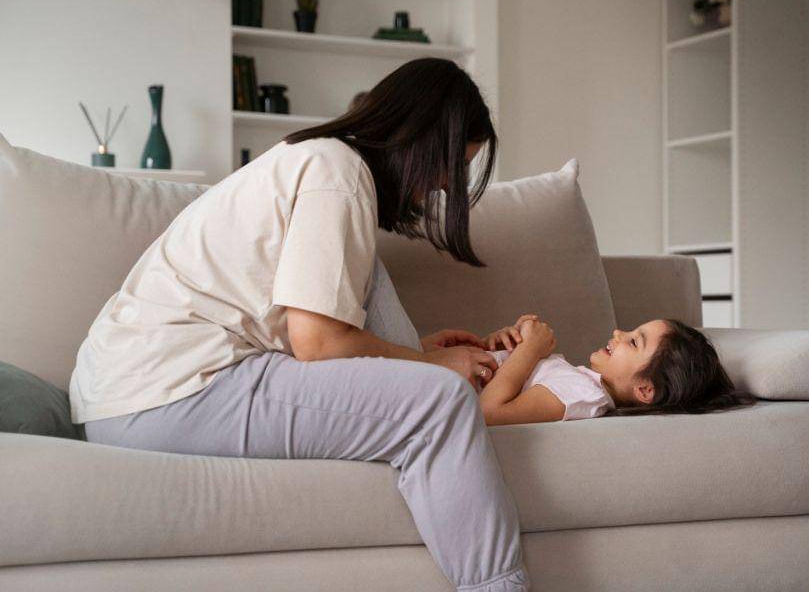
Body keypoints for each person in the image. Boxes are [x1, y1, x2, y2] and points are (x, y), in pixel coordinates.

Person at [70, 58, 529, 591]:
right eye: (452, 163)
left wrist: (413, 352)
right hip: (167, 392)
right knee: (439, 403)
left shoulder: (315, 160)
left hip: (131, 391)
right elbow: (317, 343)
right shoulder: (336, 173)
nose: (448, 185)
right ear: (419, 136)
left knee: (382, 300)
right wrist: (433, 367)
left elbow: (309, 328)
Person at [476, 315, 756, 426]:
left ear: (645, 389)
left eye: (634, 341)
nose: (618, 333)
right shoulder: (581, 381)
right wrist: (506, 345)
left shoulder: (582, 394)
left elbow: (486, 413)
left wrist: (530, 350)